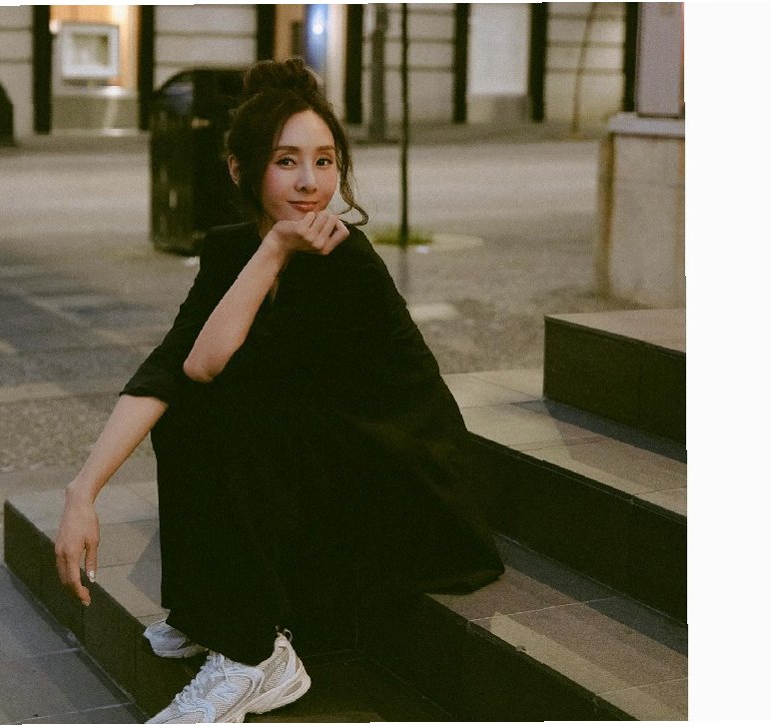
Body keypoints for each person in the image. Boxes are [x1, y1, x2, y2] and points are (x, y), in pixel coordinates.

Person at [55, 58, 505, 724]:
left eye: (324, 162)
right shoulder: (232, 248)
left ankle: (253, 654)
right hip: (322, 464)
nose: (309, 183)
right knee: (194, 411)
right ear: (240, 169)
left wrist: (275, 252)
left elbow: (207, 368)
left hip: (407, 489)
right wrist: (82, 491)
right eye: (286, 161)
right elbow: (173, 365)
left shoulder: (342, 260)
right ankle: (207, 612)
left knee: (227, 409)